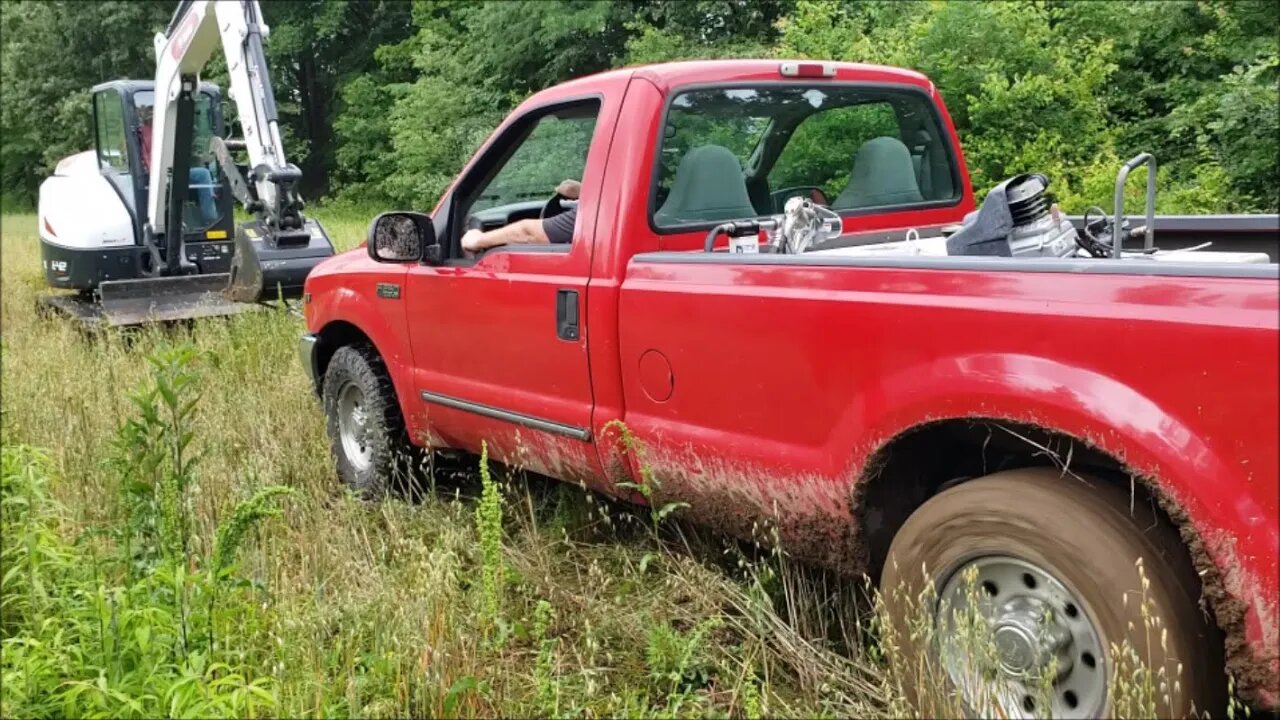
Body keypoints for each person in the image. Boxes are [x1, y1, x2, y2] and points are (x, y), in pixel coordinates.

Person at [136, 104, 219, 226]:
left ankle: (207, 214)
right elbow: (149, 158)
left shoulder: (157, 132)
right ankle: (210, 217)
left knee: (206, 173)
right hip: (162, 173)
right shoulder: (146, 134)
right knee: (202, 174)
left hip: (169, 170)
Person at [461, 179, 581, 253]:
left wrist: (479, 240)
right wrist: (584, 190)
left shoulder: (590, 216)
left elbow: (529, 234)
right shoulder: (597, 208)